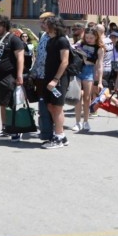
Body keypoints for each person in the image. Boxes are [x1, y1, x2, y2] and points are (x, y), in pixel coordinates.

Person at [0, 15, 25, 141]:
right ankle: (5, 128)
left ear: (5, 26)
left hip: (9, 76)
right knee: (3, 103)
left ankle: (15, 129)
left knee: (10, 103)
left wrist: (19, 75)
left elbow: (20, 58)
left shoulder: (14, 39)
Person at [42, 16, 71, 149]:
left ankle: (58, 136)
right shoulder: (50, 40)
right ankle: (61, 135)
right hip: (49, 77)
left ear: (54, 26)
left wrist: (55, 79)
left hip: (59, 79)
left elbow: (65, 62)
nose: (44, 26)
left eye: (47, 24)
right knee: (51, 106)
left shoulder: (62, 40)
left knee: (57, 107)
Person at [29, 12, 56, 142]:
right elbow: (39, 57)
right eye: (40, 22)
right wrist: (33, 73)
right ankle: (45, 132)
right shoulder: (44, 36)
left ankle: (53, 133)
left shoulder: (58, 37)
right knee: (42, 106)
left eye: (43, 22)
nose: (41, 25)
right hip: (40, 76)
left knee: (52, 106)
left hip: (51, 77)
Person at [72, 27, 104, 132]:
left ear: (96, 37)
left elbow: (100, 65)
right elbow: (72, 49)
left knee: (87, 98)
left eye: (91, 38)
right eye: (87, 37)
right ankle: (77, 122)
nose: (89, 39)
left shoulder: (99, 48)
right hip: (78, 69)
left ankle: (86, 121)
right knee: (77, 97)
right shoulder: (80, 43)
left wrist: (99, 81)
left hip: (89, 71)